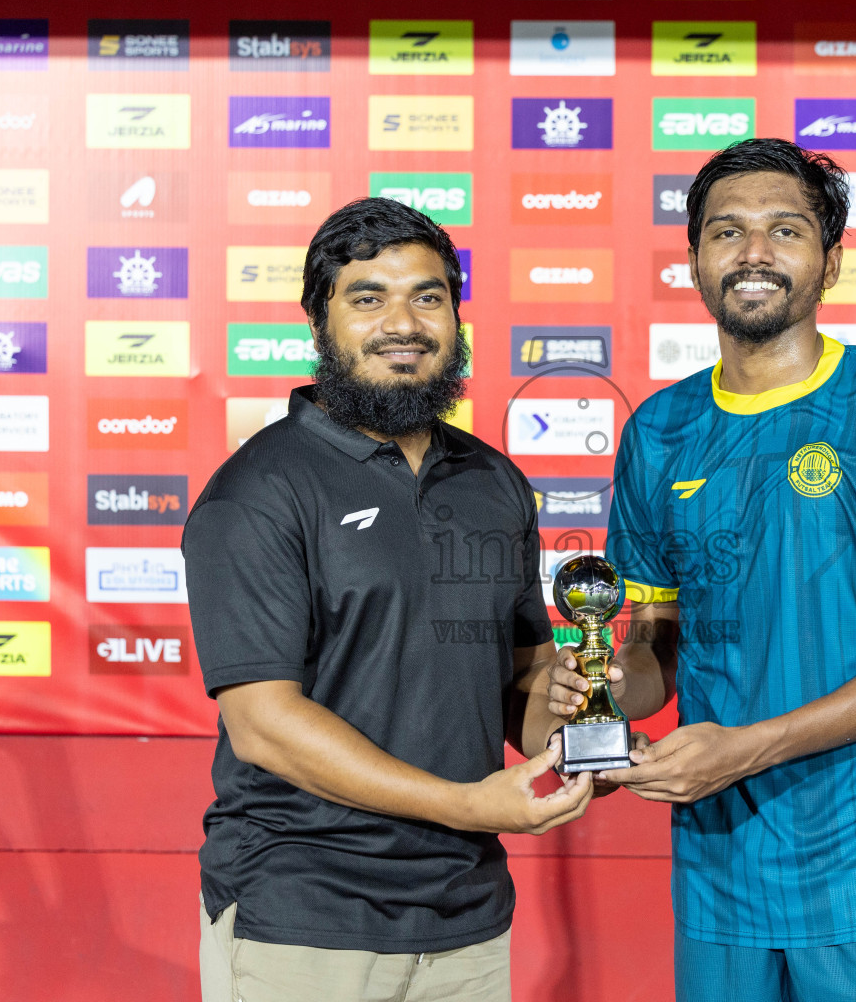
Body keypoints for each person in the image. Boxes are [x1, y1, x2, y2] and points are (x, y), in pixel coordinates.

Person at [547, 138, 856, 1001]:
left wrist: (745, 750)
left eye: (784, 231)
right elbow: (652, 657)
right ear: (693, 260)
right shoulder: (660, 430)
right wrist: (593, 690)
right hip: (718, 865)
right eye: (726, 232)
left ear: (829, 262)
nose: (753, 252)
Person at [184, 196, 592, 1002]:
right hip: (305, 918)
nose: (402, 323)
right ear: (319, 321)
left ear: (456, 316)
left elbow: (522, 683)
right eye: (368, 298)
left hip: (467, 916)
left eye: (428, 296)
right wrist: (467, 804)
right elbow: (264, 724)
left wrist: (577, 730)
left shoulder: (493, 482)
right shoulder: (258, 491)